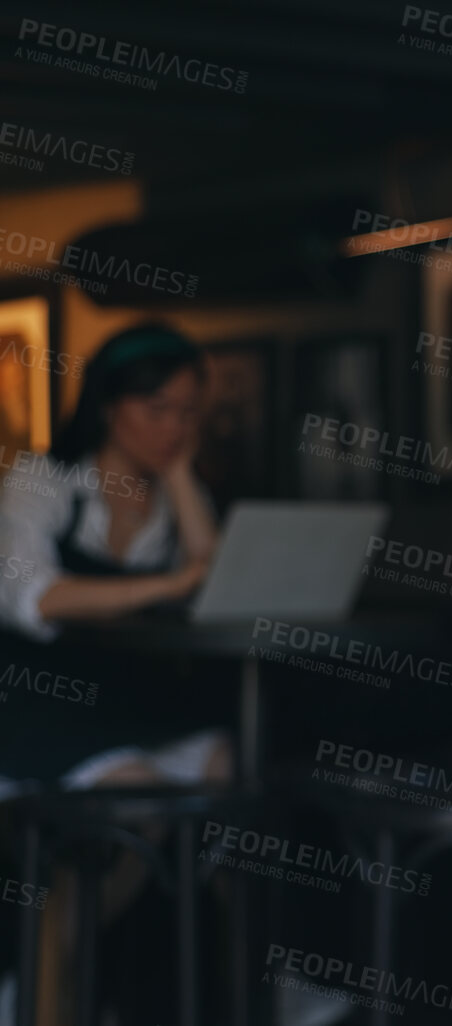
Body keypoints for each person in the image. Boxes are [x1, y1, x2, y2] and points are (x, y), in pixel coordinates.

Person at [0, 322, 234, 1025]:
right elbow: (30, 597)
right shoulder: (45, 481)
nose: (173, 427)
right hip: (32, 703)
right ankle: (52, 966)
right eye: (158, 409)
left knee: (226, 763)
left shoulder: (169, 503)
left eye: (189, 413)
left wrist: (183, 477)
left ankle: (74, 952)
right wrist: (162, 588)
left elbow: (215, 587)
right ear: (109, 405)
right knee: (141, 796)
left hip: (124, 705)